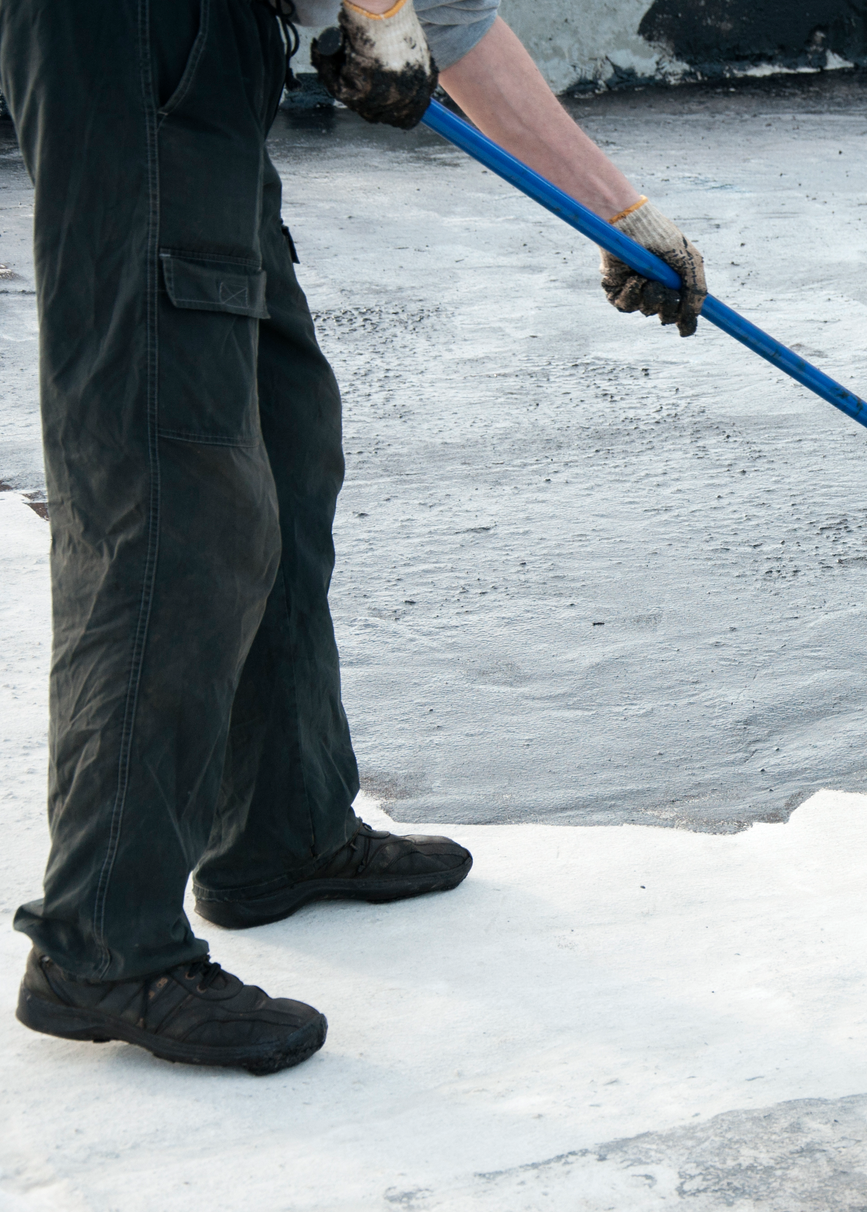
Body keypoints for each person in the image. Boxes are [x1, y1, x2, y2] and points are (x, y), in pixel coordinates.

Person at [3, 0, 706, 1074]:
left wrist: (622, 214)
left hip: (206, 49)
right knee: (174, 482)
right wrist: (376, 10)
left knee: (284, 434)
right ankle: (103, 939)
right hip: (130, 33)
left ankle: (280, 829)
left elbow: (454, 20)